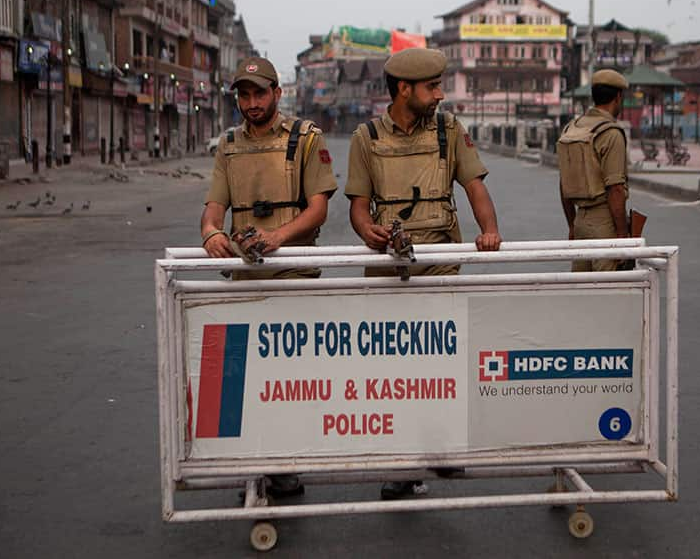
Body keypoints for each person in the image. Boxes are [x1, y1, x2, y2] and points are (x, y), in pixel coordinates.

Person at [345, 47, 501, 498]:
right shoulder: (366, 137)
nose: (439, 95)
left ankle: (444, 451)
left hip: (442, 262)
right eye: (432, 87)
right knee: (396, 368)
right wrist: (368, 231)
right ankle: (400, 465)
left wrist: (489, 232)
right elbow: (358, 207)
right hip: (389, 267)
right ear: (403, 89)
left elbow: (475, 187)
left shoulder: (449, 130)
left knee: (444, 361)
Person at [200, 55, 337, 498]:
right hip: (246, 279)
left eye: (260, 93)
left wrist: (278, 236)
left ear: (278, 93)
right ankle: (252, 467)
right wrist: (210, 233)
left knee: (290, 379)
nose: (252, 102)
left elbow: (318, 208)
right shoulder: (229, 145)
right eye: (244, 94)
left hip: (293, 276)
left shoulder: (305, 138)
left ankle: (284, 464)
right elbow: (214, 206)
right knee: (245, 377)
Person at [557, 69, 631, 272]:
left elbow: (564, 185)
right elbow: (615, 189)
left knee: (583, 291)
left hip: (580, 220)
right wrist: (622, 235)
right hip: (604, 220)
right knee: (608, 290)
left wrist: (572, 225)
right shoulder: (610, 133)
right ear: (618, 97)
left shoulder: (571, 128)